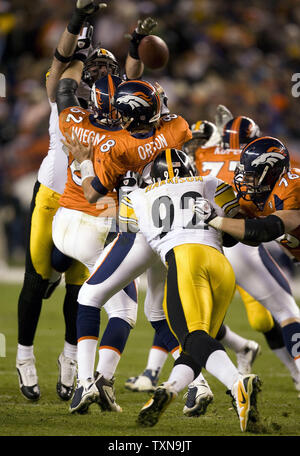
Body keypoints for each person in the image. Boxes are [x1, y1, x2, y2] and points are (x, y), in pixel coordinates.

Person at [57, 74, 193, 413]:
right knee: (159, 314)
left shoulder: (115, 145)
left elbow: (92, 192)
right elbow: (168, 119)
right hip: (176, 229)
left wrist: (84, 160)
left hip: (137, 230)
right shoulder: (175, 128)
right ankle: (200, 385)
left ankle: (87, 382)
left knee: (90, 296)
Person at [117, 148, 261, 432]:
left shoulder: (138, 196)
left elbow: (127, 231)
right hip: (220, 265)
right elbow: (233, 232)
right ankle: (169, 389)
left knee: (192, 337)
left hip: (185, 261)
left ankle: (237, 384)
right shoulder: (211, 182)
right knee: (198, 343)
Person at [15, 0, 106, 402]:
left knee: (78, 288)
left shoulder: (111, 103)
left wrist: (137, 49)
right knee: (36, 278)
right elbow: (59, 59)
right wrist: (77, 20)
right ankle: (23, 354)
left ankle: (71, 356)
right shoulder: (61, 88)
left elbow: (138, 81)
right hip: (52, 191)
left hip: (85, 199)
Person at [183, 114, 300, 404]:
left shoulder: (293, 187)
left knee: (286, 311)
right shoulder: (254, 193)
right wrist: (223, 225)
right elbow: (242, 237)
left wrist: (217, 222)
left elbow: (266, 229)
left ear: (272, 172)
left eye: (250, 174)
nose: (243, 180)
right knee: (286, 311)